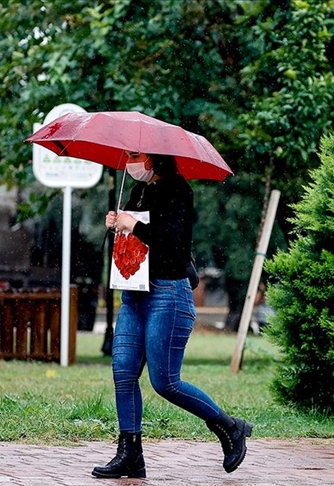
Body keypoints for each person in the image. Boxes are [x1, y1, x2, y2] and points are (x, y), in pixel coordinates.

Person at [93, 151, 252, 479]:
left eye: (136, 156)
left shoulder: (179, 190)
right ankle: (130, 454)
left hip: (168, 293)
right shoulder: (139, 191)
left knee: (165, 381)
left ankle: (229, 426)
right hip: (135, 294)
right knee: (123, 373)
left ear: (155, 157)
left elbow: (173, 245)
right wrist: (118, 224)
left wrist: (134, 223)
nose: (130, 162)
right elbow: (138, 242)